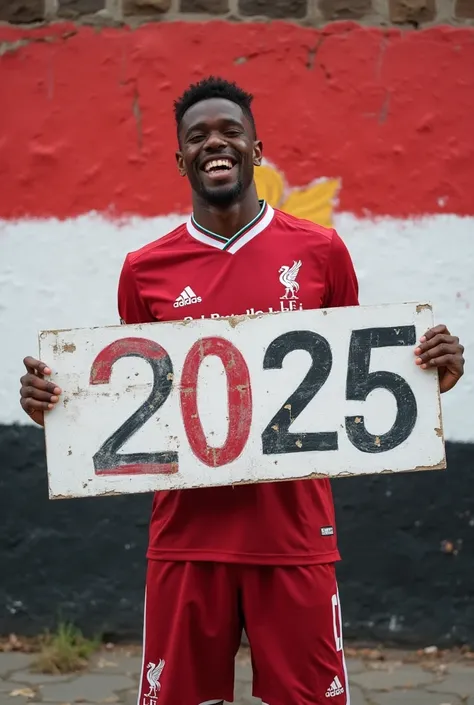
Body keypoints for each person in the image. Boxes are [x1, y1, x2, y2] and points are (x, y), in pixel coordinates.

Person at [20, 77, 465, 705]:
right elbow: (132, 401)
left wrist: (431, 375)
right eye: (197, 136)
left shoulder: (321, 252)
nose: (215, 143)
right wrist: (57, 407)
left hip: (295, 535)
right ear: (181, 160)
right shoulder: (144, 270)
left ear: (257, 150)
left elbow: (354, 382)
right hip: (185, 540)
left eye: (230, 131)